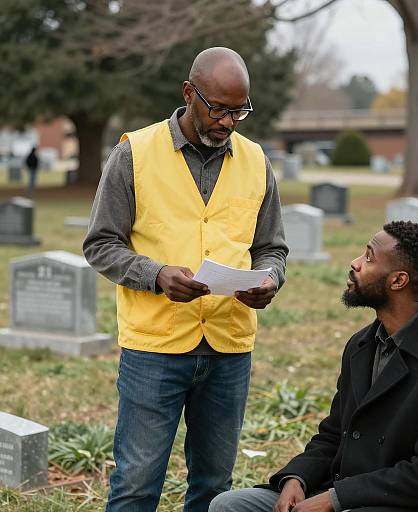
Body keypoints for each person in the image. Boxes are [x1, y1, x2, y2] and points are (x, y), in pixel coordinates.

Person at [83, 47, 288, 512]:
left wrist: (271, 279)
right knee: (136, 485)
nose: (229, 121)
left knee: (214, 486)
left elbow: (271, 247)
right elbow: (100, 243)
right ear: (189, 94)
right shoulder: (134, 153)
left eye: (240, 110)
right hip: (154, 348)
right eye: (219, 109)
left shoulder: (257, 161)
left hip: (229, 348)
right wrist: (155, 275)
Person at [210, 221, 418, 512]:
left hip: (412, 504)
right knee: (230, 505)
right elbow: (334, 433)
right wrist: (297, 478)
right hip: (345, 492)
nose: (355, 263)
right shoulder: (361, 344)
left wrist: (334, 499)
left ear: (398, 281)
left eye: (369, 257)